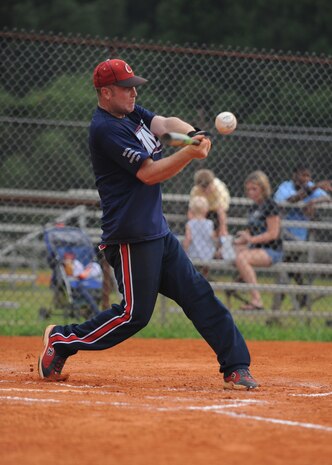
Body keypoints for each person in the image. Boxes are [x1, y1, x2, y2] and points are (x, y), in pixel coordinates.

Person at [38, 58, 258, 390]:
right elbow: (149, 174)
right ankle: (61, 340)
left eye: (134, 86)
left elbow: (165, 125)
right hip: (129, 236)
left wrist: (191, 135)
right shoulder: (106, 129)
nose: (133, 93)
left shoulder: (130, 113)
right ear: (106, 92)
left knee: (198, 294)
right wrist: (190, 153)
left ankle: (236, 367)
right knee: (134, 315)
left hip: (157, 232)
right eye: (126, 88)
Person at [234, 171, 283, 310]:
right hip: (255, 247)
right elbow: (251, 230)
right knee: (233, 252)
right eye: (248, 189)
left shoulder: (271, 205)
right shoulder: (253, 207)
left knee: (242, 258)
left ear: (263, 188)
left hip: (271, 250)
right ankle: (239, 285)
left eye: (254, 189)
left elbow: (273, 233)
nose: (251, 192)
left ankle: (257, 300)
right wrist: (242, 238)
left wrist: (251, 239)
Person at [274, 165, 331, 241]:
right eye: (303, 175)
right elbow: (290, 200)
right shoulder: (285, 186)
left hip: (301, 235)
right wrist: (315, 187)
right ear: (294, 175)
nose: (306, 179)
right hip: (284, 232)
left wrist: (314, 201)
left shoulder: (310, 186)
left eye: (308, 176)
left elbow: (328, 198)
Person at [189, 169, 230, 238]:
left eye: (208, 187)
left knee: (218, 225)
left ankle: (217, 238)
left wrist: (223, 229)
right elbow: (191, 211)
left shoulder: (219, 189)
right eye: (203, 189)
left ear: (212, 183)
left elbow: (221, 211)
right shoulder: (195, 190)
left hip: (216, 210)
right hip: (201, 210)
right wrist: (193, 227)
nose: (206, 191)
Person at [183, 196, 218, 276]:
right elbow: (213, 237)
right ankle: (204, 277)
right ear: (206, 210)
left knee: (192, 270)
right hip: (207, 254)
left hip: (194, 253)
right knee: (204, 268)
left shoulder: (190, 224)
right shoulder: (210, 223)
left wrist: (184, 251)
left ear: (191, 210)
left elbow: (188, 239)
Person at [62, 252, 102, 317]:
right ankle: (97, 312)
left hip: (86, 281)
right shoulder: (67, 264)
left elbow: (82, 275)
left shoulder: (78, 263)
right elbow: (79, 276)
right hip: (77, 284)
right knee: (82, 287)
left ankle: (93, 311)